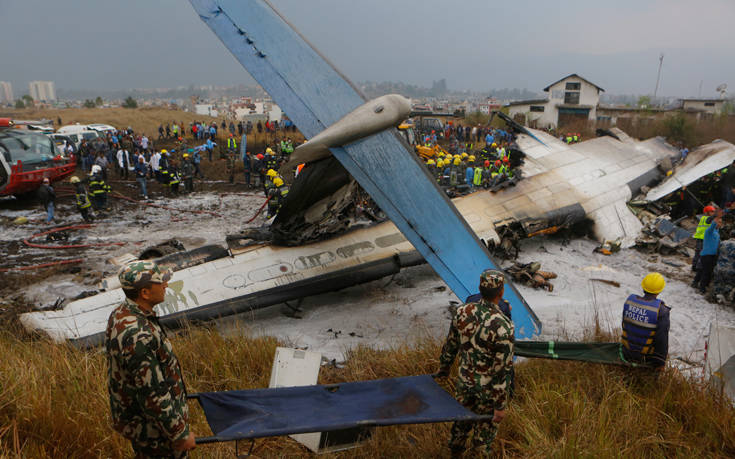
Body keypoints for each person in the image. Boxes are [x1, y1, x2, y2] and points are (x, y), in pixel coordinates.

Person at [105, 261, 196, 457]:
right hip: (156, 434)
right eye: (161, 282)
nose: (166, 285)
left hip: (144, 426)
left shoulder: (121, 313)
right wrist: (179, 433)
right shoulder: (139, 335)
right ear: (145, 293)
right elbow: (152, 394)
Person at [436, 270, 514, 456]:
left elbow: (450, 346)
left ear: (479, 289)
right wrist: (500, 406)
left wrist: (443, 370)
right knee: (482, 442)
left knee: (459, 431)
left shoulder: (462, 311)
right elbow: (503, 369)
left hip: (464, 385)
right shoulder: (504, 325)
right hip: (488, 393)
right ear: (501, 292)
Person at [621, 273, 671, 368]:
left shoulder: (630, 301)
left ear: (643, 287)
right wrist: (660, 362)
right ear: (659, 290)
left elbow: (625, 325)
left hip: (626, 353)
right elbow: (661, 340)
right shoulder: (661, 311)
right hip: (646, 358)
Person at [692, 214, 722, 294]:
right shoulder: (709, 231)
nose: (720, 224)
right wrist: (717, 218)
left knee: (702, 270)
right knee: (706, 272)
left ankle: (695, 282)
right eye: (718, 222)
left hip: (712, 255)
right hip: (707, 255)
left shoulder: (717, 233)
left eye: (720, 222)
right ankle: (702, 288)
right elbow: (712, 226)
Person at [692, 205, 716, 271]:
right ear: (707, 212)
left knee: (698, 253)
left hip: (701, 238)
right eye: (712, 211)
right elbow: (711, 220)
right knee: (700, 254)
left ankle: (694, 266)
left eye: (713, 211)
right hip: (702, 239)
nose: (713, 213)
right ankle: (696, 267)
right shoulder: (706, 219)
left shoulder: (704, 218)